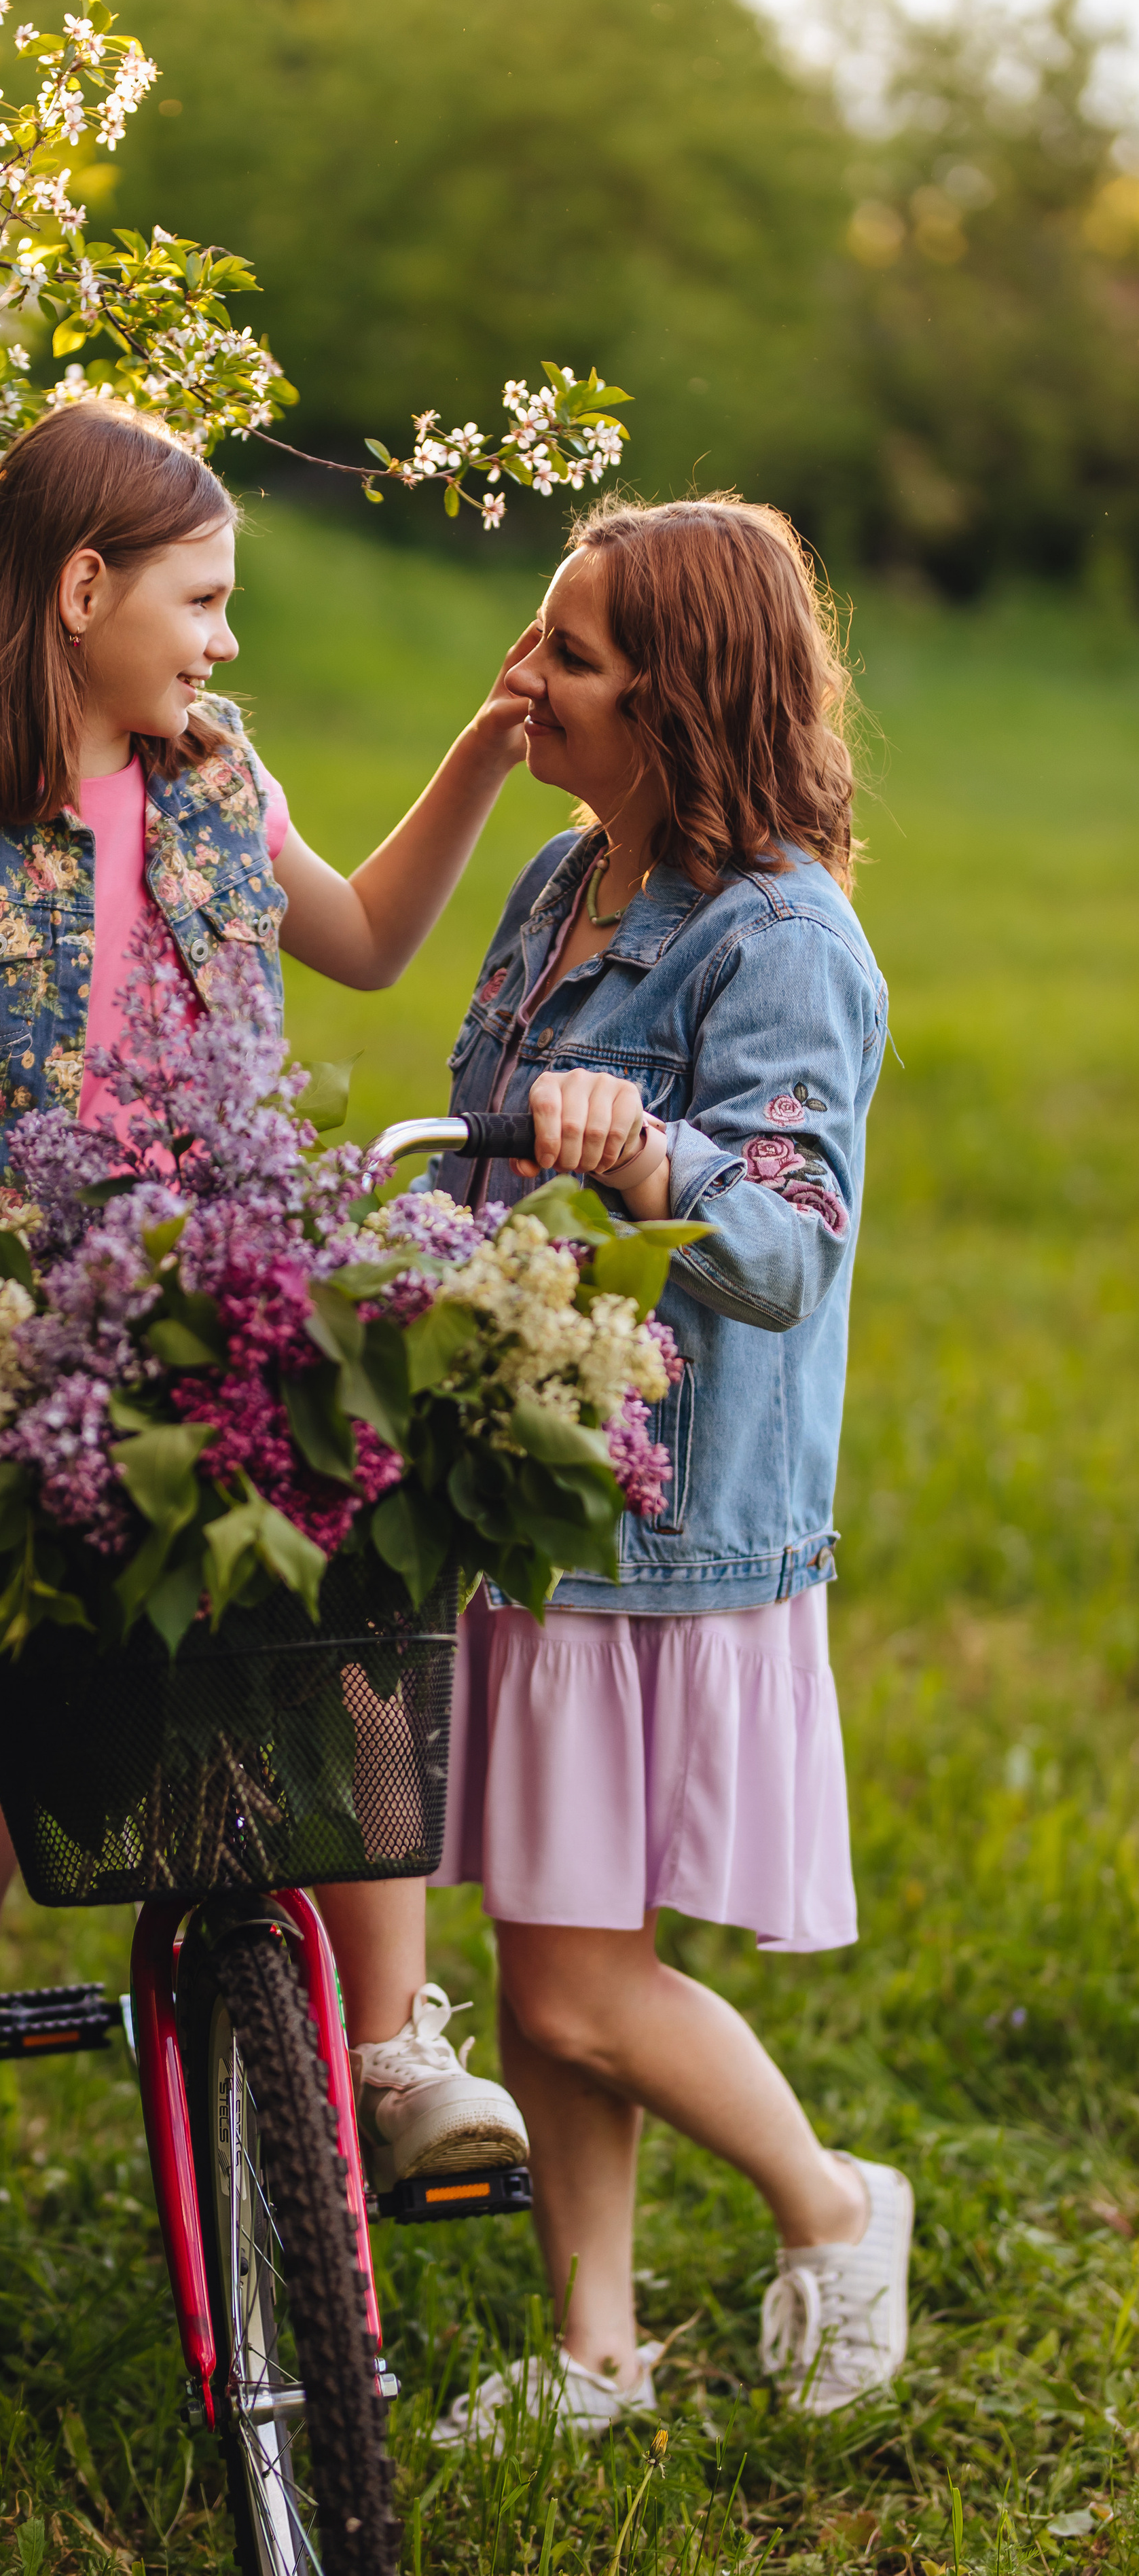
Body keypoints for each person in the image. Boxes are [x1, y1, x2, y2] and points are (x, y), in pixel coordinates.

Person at [0, 399, 529, 2446]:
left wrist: (484, 751)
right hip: (4, 1365)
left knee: (345, 1655)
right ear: (79, 591)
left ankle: (392, 2045)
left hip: (223, 1329)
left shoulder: (221, 777)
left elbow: (370, 940)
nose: (224, 644)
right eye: (201, 601)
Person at [418, 494, 908, 2441]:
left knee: (562, 1989)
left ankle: (830, 2202)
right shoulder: (565, 881)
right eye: (538, 637)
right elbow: (483, 1125)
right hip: (533, 1481)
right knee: (559, 1958)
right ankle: (597, 2350)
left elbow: (790, 1245)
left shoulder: (786, 937)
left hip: (668, 1516)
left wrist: (651, 1160)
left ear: (683, 700)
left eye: (574, 656)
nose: (523, 678)